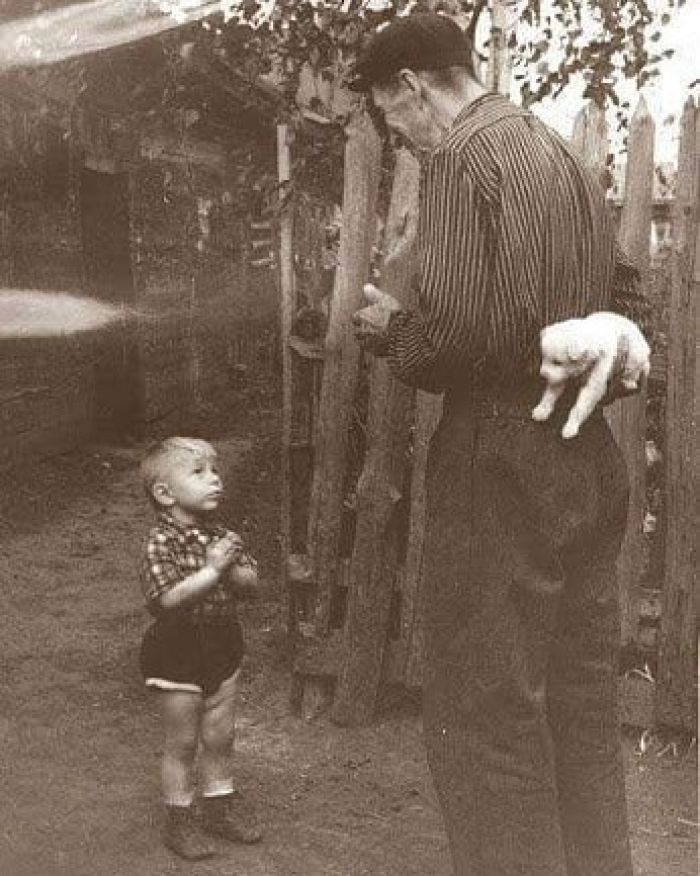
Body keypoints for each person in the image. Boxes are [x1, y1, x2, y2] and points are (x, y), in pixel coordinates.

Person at [350, 13, 650, 876]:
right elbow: (620, 295)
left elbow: (473, 340)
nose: (401, 137)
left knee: (486, 712)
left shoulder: (466, 160)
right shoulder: (555, 153)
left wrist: (391, 331)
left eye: (389, 114)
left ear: (408, 85)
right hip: (584, 450)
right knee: (579, 705)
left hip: (502, 451)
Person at [139, 437, 263, 860]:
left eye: (215, 471)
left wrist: (232, 568)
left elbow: (251, 586)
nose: (214, 480)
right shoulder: (161, 542)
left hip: (222, 644)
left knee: (221, 735)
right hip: (176, 650)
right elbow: (167, 599)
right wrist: (212, 570)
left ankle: (218, 808)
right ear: (164, 494)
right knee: (183, 742)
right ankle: (179, 821)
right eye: (199, 472)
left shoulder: (223, 537)